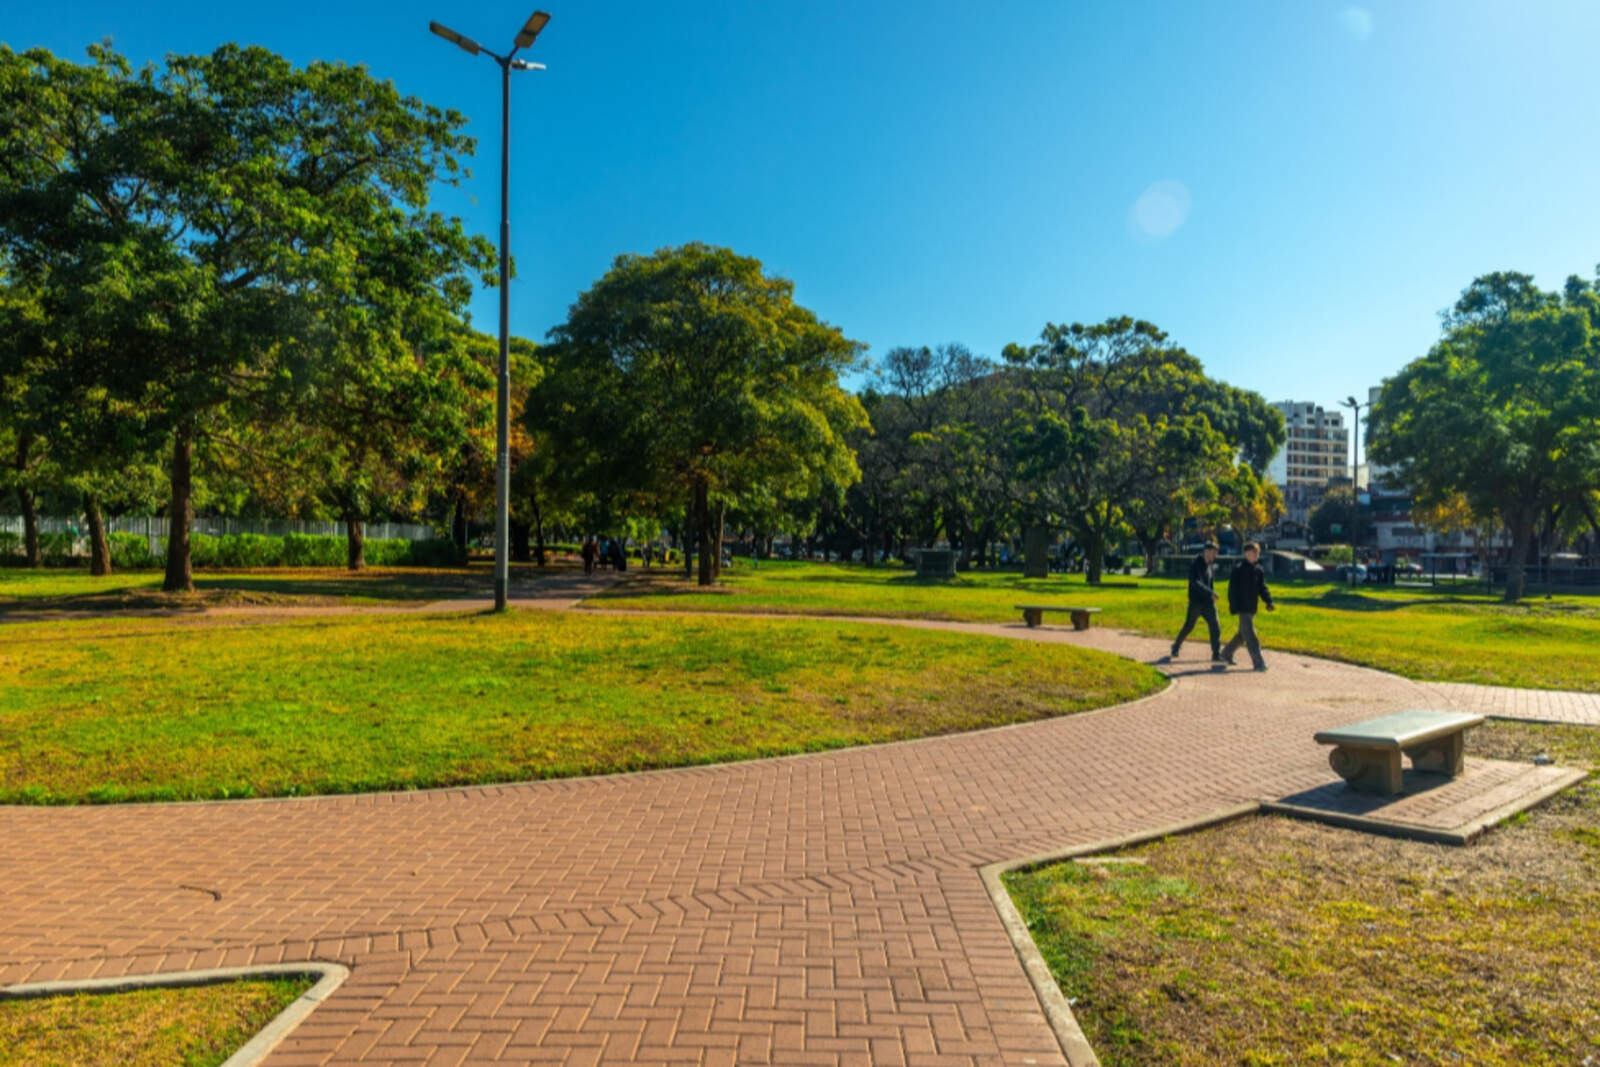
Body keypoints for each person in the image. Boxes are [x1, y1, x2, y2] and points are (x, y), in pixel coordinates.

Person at [1222, 541, 1275, 671]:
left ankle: (1225, 654)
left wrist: (1268, 601)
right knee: (1251, 636)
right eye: (1252, 552)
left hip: (1252, 608)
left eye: (1256, 553)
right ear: (1246, 554)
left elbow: (1262, 588)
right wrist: (1233, 606)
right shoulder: (1238, 570)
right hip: (1242, 609)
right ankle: (1259, 663)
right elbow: (1232, 590)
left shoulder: (1258, 571)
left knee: (1242, 635)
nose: (1255, 555)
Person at [1170, 541, 1223, 662]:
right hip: (1196, 603)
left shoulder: (1210, 565)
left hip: (1208, 603)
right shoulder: (1195, 564)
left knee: (1215, 626)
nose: (1215, 556)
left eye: (1216, 553)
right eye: (1214, 553)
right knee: (1189, 626)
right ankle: (1176, 646)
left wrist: (1211, 594)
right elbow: (1195, 582)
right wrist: (1210, 593)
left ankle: (1216, 653)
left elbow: (1210, 583)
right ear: (1206, 551)